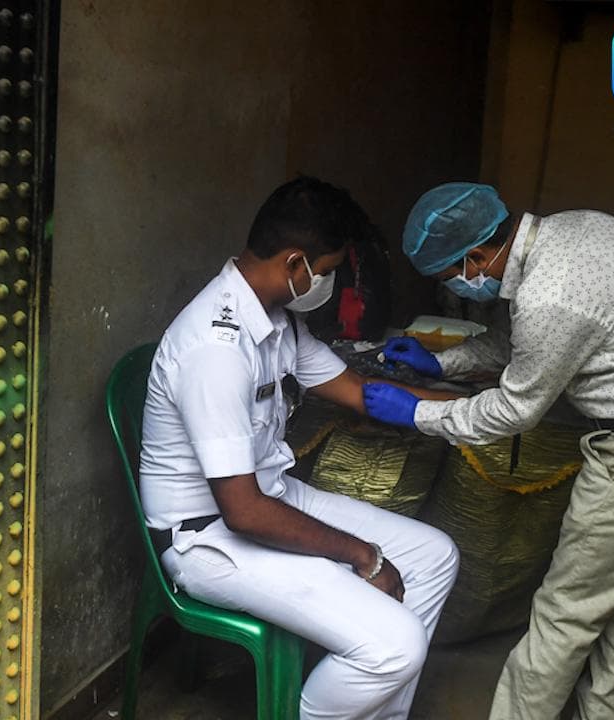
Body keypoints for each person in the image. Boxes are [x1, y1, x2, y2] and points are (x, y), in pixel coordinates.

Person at [365, 182, 614, 720]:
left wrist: (418, 412)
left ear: (477, 256)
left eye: (452, 278)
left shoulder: (549, 291)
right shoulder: (572, 230)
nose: (461, 289)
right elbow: (521, 342)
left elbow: (514, 409)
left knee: (564, 614)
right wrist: (444, 364)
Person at [139, 176, 460, 719]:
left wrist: (459, 406)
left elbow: (356, 391)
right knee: (395, 646)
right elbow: (241, 514)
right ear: (295, 264)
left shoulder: (275, 320)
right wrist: (363, 555)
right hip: (208, 535)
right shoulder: (215, 349)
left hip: (270, 496)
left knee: (434, 557)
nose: (327, 283)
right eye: (327, 270)